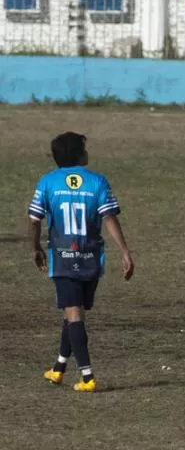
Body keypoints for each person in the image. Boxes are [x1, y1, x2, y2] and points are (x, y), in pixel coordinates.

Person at [29, 132, 135, 393]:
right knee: (75, 311)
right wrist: (124, 251)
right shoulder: (97, 181)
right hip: (89, 256)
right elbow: (109, 217)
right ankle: (58, 368)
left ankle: (87, 377)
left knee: (73, 313)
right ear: (79, 154)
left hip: (62, 256)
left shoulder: (47, 182)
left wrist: (35, 247)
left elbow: (34, 219)